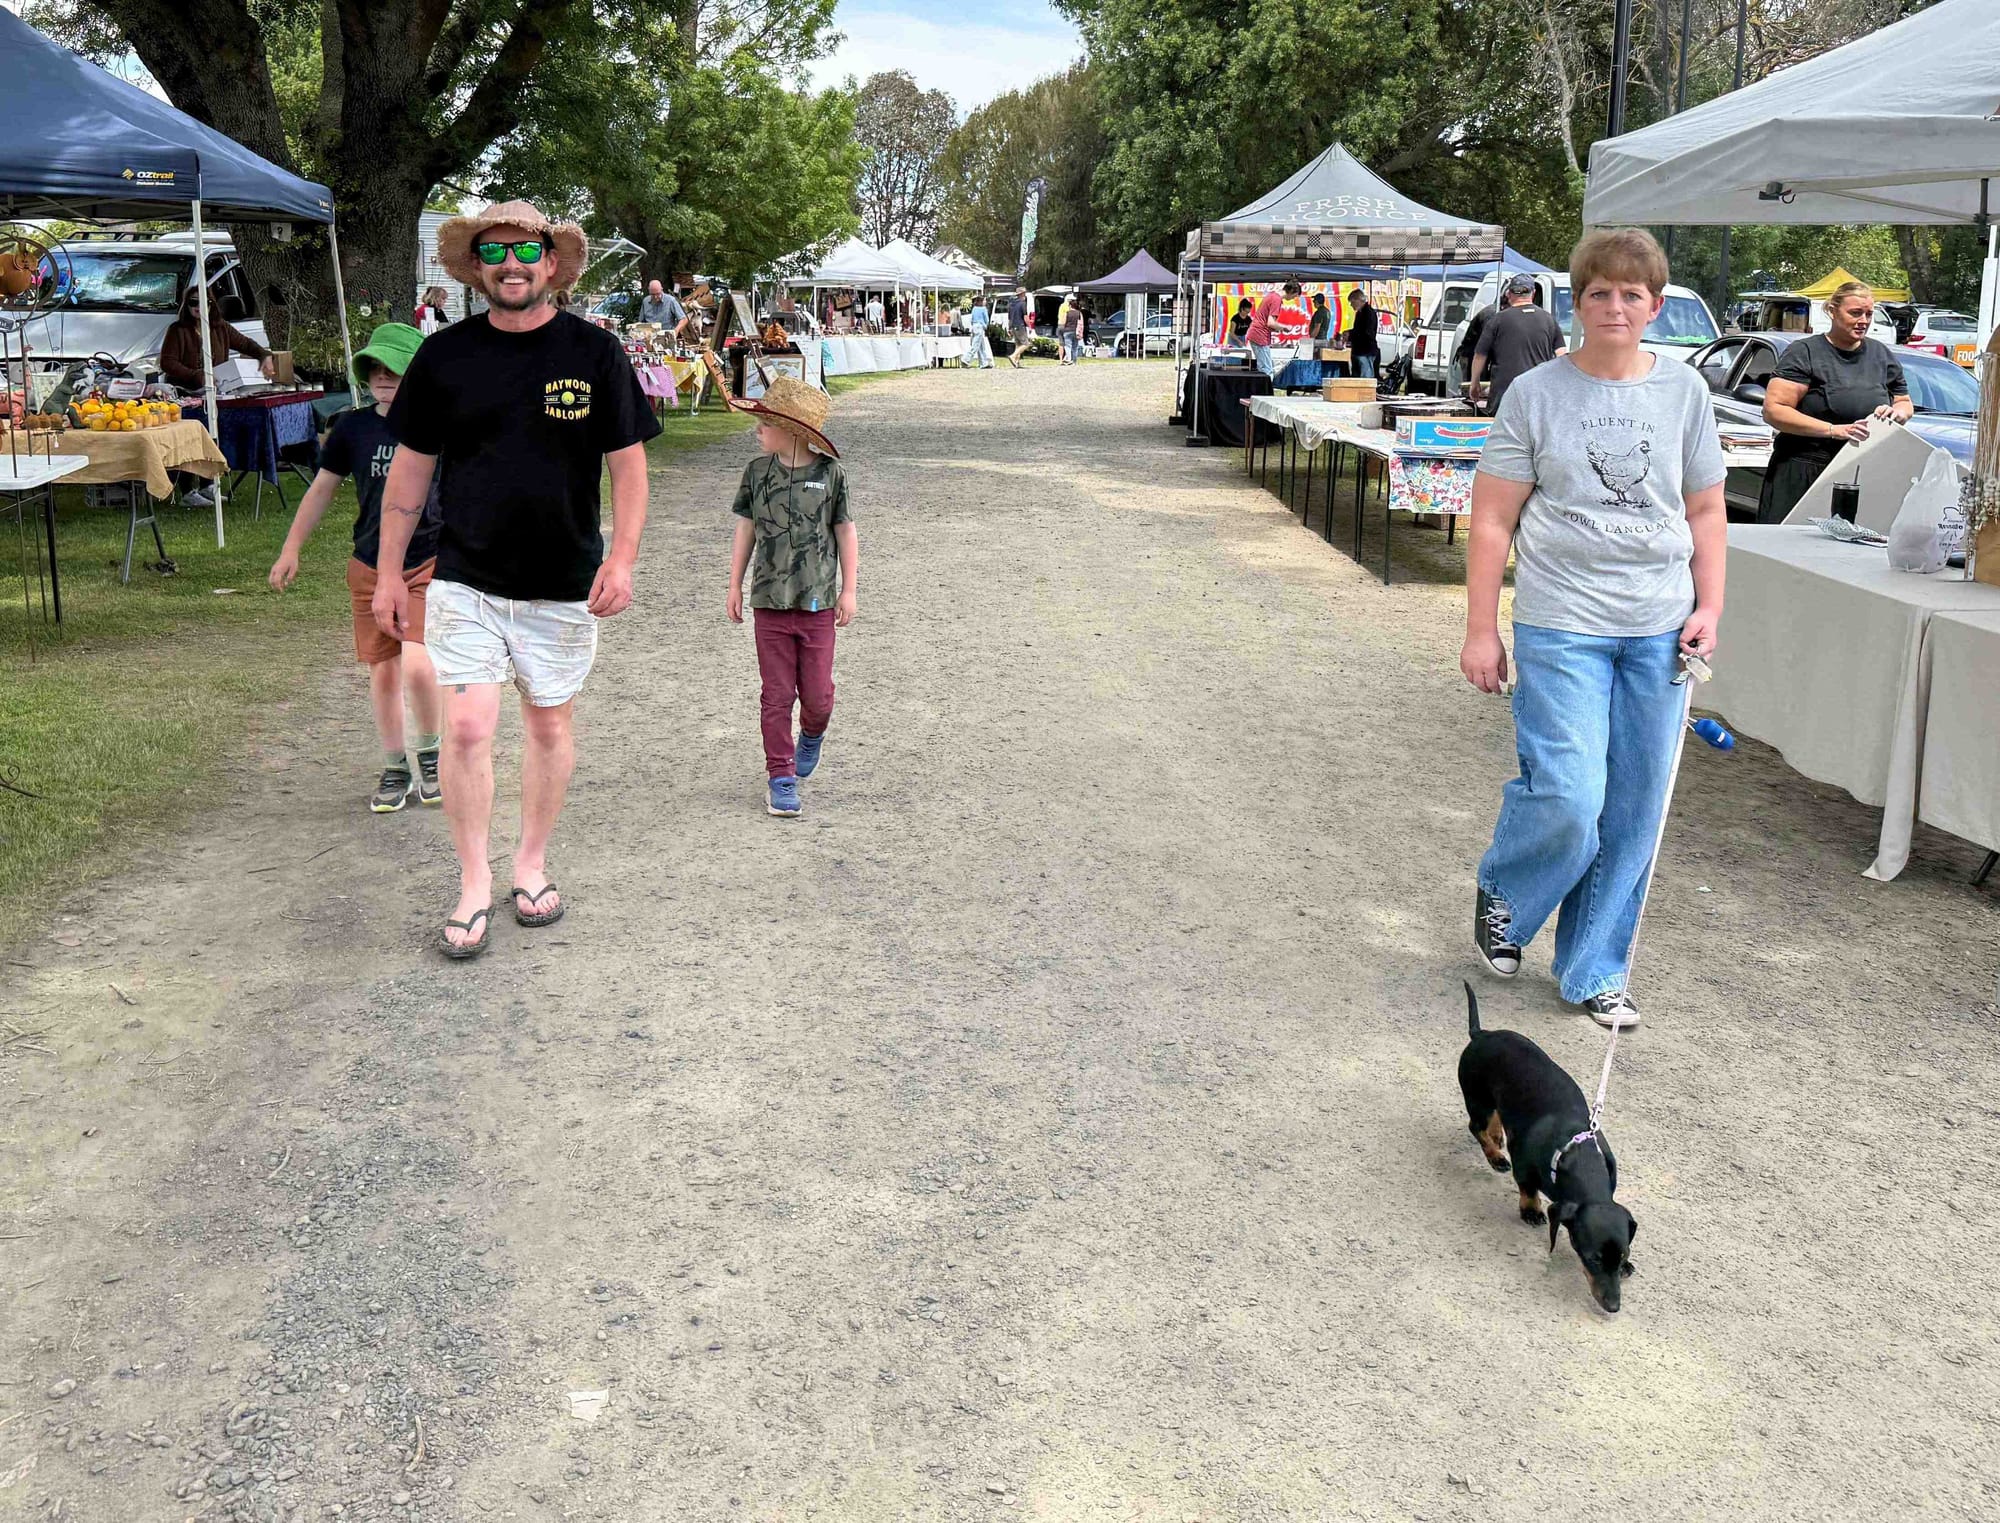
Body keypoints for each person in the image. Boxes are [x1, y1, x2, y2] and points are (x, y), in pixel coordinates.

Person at [373, 200, 661, 960]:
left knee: (546, 726)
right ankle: (473, 880)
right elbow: (409, 470)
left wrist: (621, 557)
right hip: (464, 578)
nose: (511, 265)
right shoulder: (443, 358)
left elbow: (628, 467)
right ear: (475, 267)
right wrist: (391, 572)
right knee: (467, 726)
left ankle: (529, 863)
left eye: (525, 253)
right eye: (494, 252)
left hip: (562, 583)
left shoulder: (596, 354)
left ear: (552, 265)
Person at [1460, 227, 1727, 1031]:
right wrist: (1481, 629)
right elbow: (1491, 522)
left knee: (1636, 807)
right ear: (1575, 303)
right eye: (1600, 292)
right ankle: (1507, 890)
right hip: (1563, 623)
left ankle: (1595, 967)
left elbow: (1706, 509)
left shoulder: (1684, 393)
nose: (1616, 306)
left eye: (1633, 294)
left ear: (1654, 305)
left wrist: (1708, 606)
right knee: (1572, 795)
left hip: (1659, 628)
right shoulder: (1535, 395)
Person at [268, 322, 445, 814]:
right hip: (368, 564)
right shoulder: (353, 427)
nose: (384, 378)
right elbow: (321, 488)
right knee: (383, 672)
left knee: (418, 664)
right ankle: (395, 765)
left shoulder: (440, 425)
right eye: (375, 369)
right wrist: (291, 548)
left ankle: (431, 754)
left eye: (395, 369)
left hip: (428, 560)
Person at [724, 378, 857, 819]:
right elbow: (745, 528)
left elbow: (845, 531)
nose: (758, 430)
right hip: (770, 602)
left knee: (817, 697)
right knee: (776, 695)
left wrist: (849, 589)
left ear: (794, 430)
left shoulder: (831, 475)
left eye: (766, 423)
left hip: (817, 603)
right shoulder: (756, 473)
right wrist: (735, 584)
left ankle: (812, 734)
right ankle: (780, 776)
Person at [1756, 280, 1914, 522]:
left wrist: (1897, 414)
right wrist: (1833, 430)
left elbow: (1903, 401)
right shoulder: (1805, 352)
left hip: (1858, 471)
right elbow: (1774, 411)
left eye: (1869, 314)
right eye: (1855, 313)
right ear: (1832, 311)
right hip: (1803, 469)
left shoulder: (1881, 354)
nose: (1864, 320)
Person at [1470, 274, 1567, 417]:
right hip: (1537, 395)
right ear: (1533, 293)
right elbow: (1562, 354)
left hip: (1504, 396)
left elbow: (1480, 355)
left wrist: (1474, 383)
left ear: (1509, 293)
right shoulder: (1548, 319)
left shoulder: (1498, 320)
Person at [159, 283, 274, 391]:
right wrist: (197, 376)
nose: (199, 306)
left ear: (211, 304)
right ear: (187, 306)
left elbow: (245, 344)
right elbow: (168, 362)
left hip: (217, 389)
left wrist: (264, 355)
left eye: (204, 302)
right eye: (194, 302)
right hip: (185, 391)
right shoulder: (177, 329)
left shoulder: (221, 327)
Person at [1246, 281, 1297, 377]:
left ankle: (1262, 390)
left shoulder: (1272, 296)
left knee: (1264, 367)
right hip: (1260, 336)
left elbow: (1267, 322)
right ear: (1291, 291)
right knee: (1267, 371)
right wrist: (1285, 327)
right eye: (1295, 295)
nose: (1294, 298)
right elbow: (1271, 323)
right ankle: (1265, 391)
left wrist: (1278, 328)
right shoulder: (1277, 300)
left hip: (1257, 334)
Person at [1346, 286, 1380, 379]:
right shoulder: (1359, 313)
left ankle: (1365, 393)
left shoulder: (1369, 313)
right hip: (1359, 350)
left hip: (1366, 350)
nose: (1351, 305)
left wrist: (1351, 334)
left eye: (1352, 302)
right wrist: (1349, 333)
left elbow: (1367, 332)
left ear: (1358, 300)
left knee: (1365, 378)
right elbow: (1358, 329)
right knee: (1357, 376)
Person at [1006, 286, 1031, 369]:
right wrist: (1030, 326)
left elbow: (1009, 317)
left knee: (1018, 344)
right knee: (1026, 344)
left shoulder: (1011, 304)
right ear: (1022, 294)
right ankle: (1013, 356)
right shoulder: (1022, 303)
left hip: (1013, 325)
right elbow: (1025, 316)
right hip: (1020, 325)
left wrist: (1009, 328)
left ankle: (1016, 362)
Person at [966, 294, 993, 368]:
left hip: (974, 326)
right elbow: (986, 319)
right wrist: (986, 326)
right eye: (984, 300)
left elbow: (971, 319)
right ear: (981, 301)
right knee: (975, 345)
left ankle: (984, 363)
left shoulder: (974, 308)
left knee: (981, 346)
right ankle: (966, 359)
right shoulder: (984, 309)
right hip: (980, 327)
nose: (985, 302)